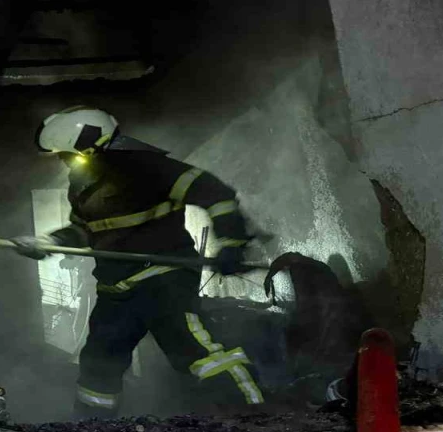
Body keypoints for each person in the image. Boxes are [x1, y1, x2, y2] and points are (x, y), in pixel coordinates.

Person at [15, 106, 265, 416]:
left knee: (195, 349)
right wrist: (48, 242)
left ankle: (256, 417)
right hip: (116, 290)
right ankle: (93, 430)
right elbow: (84, 230)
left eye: (65, 154)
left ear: (88, 146)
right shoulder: (81, 185)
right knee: (98, 364)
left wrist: (231, 243)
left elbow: (215, 194)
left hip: (163, 278)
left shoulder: (146, 166)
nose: (63, 161)